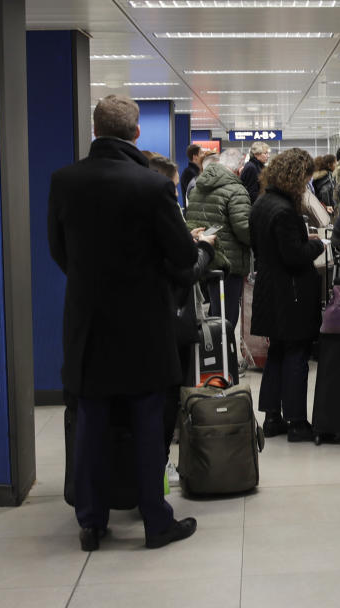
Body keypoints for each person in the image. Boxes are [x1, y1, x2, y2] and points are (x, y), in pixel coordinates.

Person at [47, 94, 198, 552]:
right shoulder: (151, 187)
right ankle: (155, 520)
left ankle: (91, 523)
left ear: (95, 130)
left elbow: (58, 250)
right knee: (148, 421)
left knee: (90, 419)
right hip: (144, 325)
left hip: (88, 322)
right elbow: (184, 255)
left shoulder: (64, 180)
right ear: (136, 133)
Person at [146, 153, 218, 485]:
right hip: (171, 318)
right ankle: (158, 467)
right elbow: (187, 270)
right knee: (167, 393)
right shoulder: (160, 216)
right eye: (173, 188)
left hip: (140, 322)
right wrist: (204, 248)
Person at [249, 149, 324, 441]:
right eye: (306, 176)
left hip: (269, 288)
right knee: (296, 354)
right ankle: (296, 421)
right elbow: (295, 256)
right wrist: (316, 245)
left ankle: (271, 417)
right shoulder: (285, 210)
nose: (307, 182)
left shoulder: (263, 203)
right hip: (292, 292)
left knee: (277, 352)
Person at [186, 149, 252, 327]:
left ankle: (212, 351)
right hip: (229, 263)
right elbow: (244, 229)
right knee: (227, 317)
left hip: (206, 256)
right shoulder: (236, 190)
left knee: (215, 311)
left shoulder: (198, 186)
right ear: (239, 168)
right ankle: (224, 353)